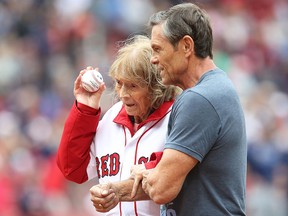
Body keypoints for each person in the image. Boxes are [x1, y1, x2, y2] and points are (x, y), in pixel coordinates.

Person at [89, 2, 247, 216]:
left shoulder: (199, 98)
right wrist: (117, 191)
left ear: (186, 46)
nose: (154, 59)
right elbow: (171, 179)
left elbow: (162, 189)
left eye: (158, 49)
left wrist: (143, 171)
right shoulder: (218, 87)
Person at [56, 35, 181, 215]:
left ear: (155, 86)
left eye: (132, 86)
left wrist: (116, 191)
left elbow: (167, 180)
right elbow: (72, 169)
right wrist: (85, 108)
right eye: (119, 83)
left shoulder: (177, 117)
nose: (122, 94)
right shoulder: (112, 117)